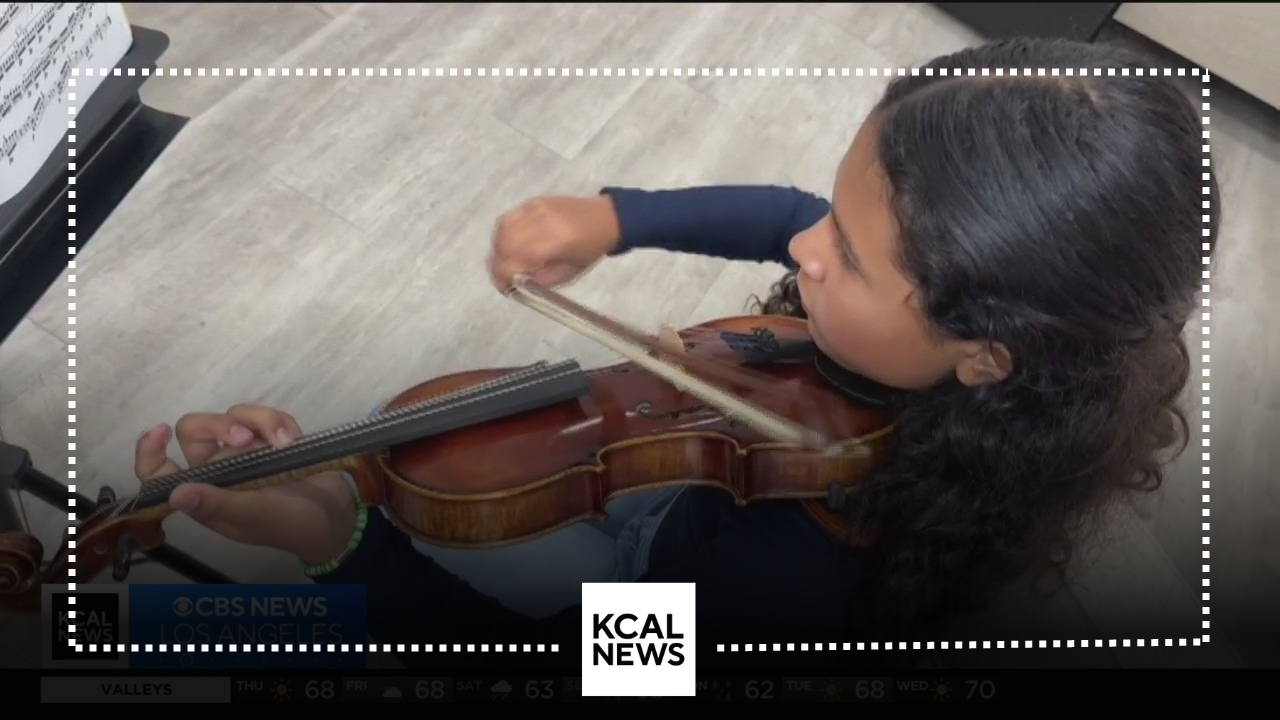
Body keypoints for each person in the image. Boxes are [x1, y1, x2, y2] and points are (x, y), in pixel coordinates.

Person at [133, 37, 1217, 673]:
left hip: (651, 591)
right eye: (833, 211)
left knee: (399, 485)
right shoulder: (1019, 342)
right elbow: (786, 213)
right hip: (685, 500)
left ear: (985, 355)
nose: (802, 246)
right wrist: (617, 217)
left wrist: (345, 544)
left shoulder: (783, 586)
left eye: (845, 254)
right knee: (425, 440)